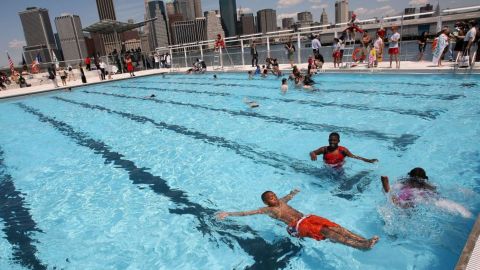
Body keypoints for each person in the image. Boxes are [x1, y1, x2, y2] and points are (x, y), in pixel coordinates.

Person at [217, 189, 379, 250]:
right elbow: (247, 213)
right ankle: (361, 246)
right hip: (298, 226)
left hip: (308, 218)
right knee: (327, 232)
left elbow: (287, 197)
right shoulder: (267, 210)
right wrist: (229, 214)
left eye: (273, 195)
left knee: (336, 227)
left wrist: (293, 193)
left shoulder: (282, 201)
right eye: (270, 198)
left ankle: (363, 240)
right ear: (266, 202)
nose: (274, 198)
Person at [381, 168, 472, 218]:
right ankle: (462, 210)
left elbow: (397, 186)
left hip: (406, 193)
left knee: (396, 202)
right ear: (425, 178)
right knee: (437, 201)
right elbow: (436, 193)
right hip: (421, 194)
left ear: (409, 175)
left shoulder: (405, 181)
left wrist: (390, 188)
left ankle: (388, 191)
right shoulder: (428, 185)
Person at [309, 132, 378, 168]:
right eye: (330, 140)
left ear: (338, 141)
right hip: (327, 168)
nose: (332, 142)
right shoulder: (324, 149)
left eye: (334, 140)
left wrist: (369, 160)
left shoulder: (343, 150)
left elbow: (354, 157)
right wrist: (313, 154)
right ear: (328, 140)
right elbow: (312, 152)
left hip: (339, 170)